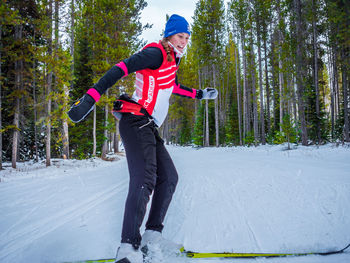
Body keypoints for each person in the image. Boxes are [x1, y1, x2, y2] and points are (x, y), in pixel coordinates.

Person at [68, 14, 218, 263]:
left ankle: (151, 238)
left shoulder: (172, 60)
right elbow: (121, 67)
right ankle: (128, 248)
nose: (184, 41)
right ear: (170, 35)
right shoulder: (156, 53)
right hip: (135, 119)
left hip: (148, 125)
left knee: (169, 177)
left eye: (187, 37)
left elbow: (173, 86)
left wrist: (200, 94)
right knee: (145, 178)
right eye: (181, 36)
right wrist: (90, 98)